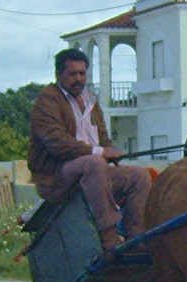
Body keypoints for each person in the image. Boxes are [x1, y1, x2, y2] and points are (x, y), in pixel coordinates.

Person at [28, 48, 151, 251]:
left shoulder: (91, 101)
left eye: (82, 73)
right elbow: (57, 143)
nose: (78, 79)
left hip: (95, 175)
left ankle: (136, 238)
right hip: (56, 177)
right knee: (93, 163)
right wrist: (101, 152)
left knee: (140, 176)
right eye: (72, 74)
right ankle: (108, 236)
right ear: (58, 75)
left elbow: (103, 139)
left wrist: (111, 151)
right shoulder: (47, 101)